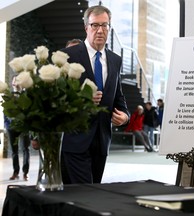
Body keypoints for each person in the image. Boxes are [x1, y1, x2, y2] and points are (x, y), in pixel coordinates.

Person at [60, 5, 130, 184]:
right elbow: (56, 98)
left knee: (94, 195)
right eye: (95, 25)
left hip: (101, 142)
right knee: (83, 195)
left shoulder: (115, 60)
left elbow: (117, 96)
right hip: (76, 141)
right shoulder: (67, 56)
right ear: (86, 28)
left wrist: (125, 116)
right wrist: (80, 99)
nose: (100, 30)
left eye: (104, 25)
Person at [4, 76, 30, 181]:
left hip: (24, 127)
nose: (17, 83)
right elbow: (5, 112)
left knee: (25, 149)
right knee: (14, 151)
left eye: (19, 81)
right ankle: (15, 172)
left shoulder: (26, 95)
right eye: (15, 81)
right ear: (12, 83)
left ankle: (25, 173)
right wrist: (7, 126)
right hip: (11, 127)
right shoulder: (8, 96)